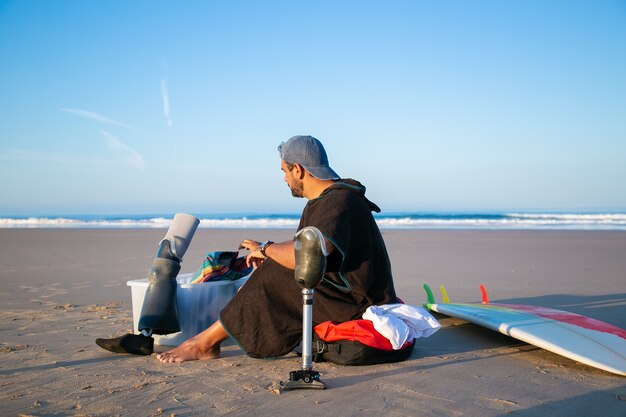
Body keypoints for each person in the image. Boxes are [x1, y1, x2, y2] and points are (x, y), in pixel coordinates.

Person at [156, 135, 398, 363]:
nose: (284, 179)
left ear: (298, 170)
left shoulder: (338, 202)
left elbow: (308, 253)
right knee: (276, 267)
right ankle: (210, 339)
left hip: (359, 303)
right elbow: (311, 253)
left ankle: (204, 343)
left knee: (274, 274)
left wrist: (267, 249)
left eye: (284, 171)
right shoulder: (329, 200)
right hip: (347, 294)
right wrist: (268, 251)